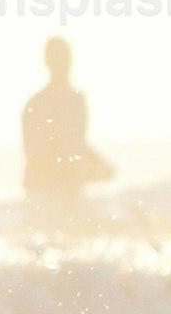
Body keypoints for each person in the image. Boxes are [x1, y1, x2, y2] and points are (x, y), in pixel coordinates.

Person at [22, 37, 115, 218]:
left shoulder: (76, 99)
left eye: (64, 58)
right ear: (47, 62)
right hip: (44, 195)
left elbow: (76, 143)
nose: (62, 64)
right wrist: (67, 173)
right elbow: (36, 152)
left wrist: (98, 166)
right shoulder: (38, 104)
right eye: (57, 59)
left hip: (70, 191)